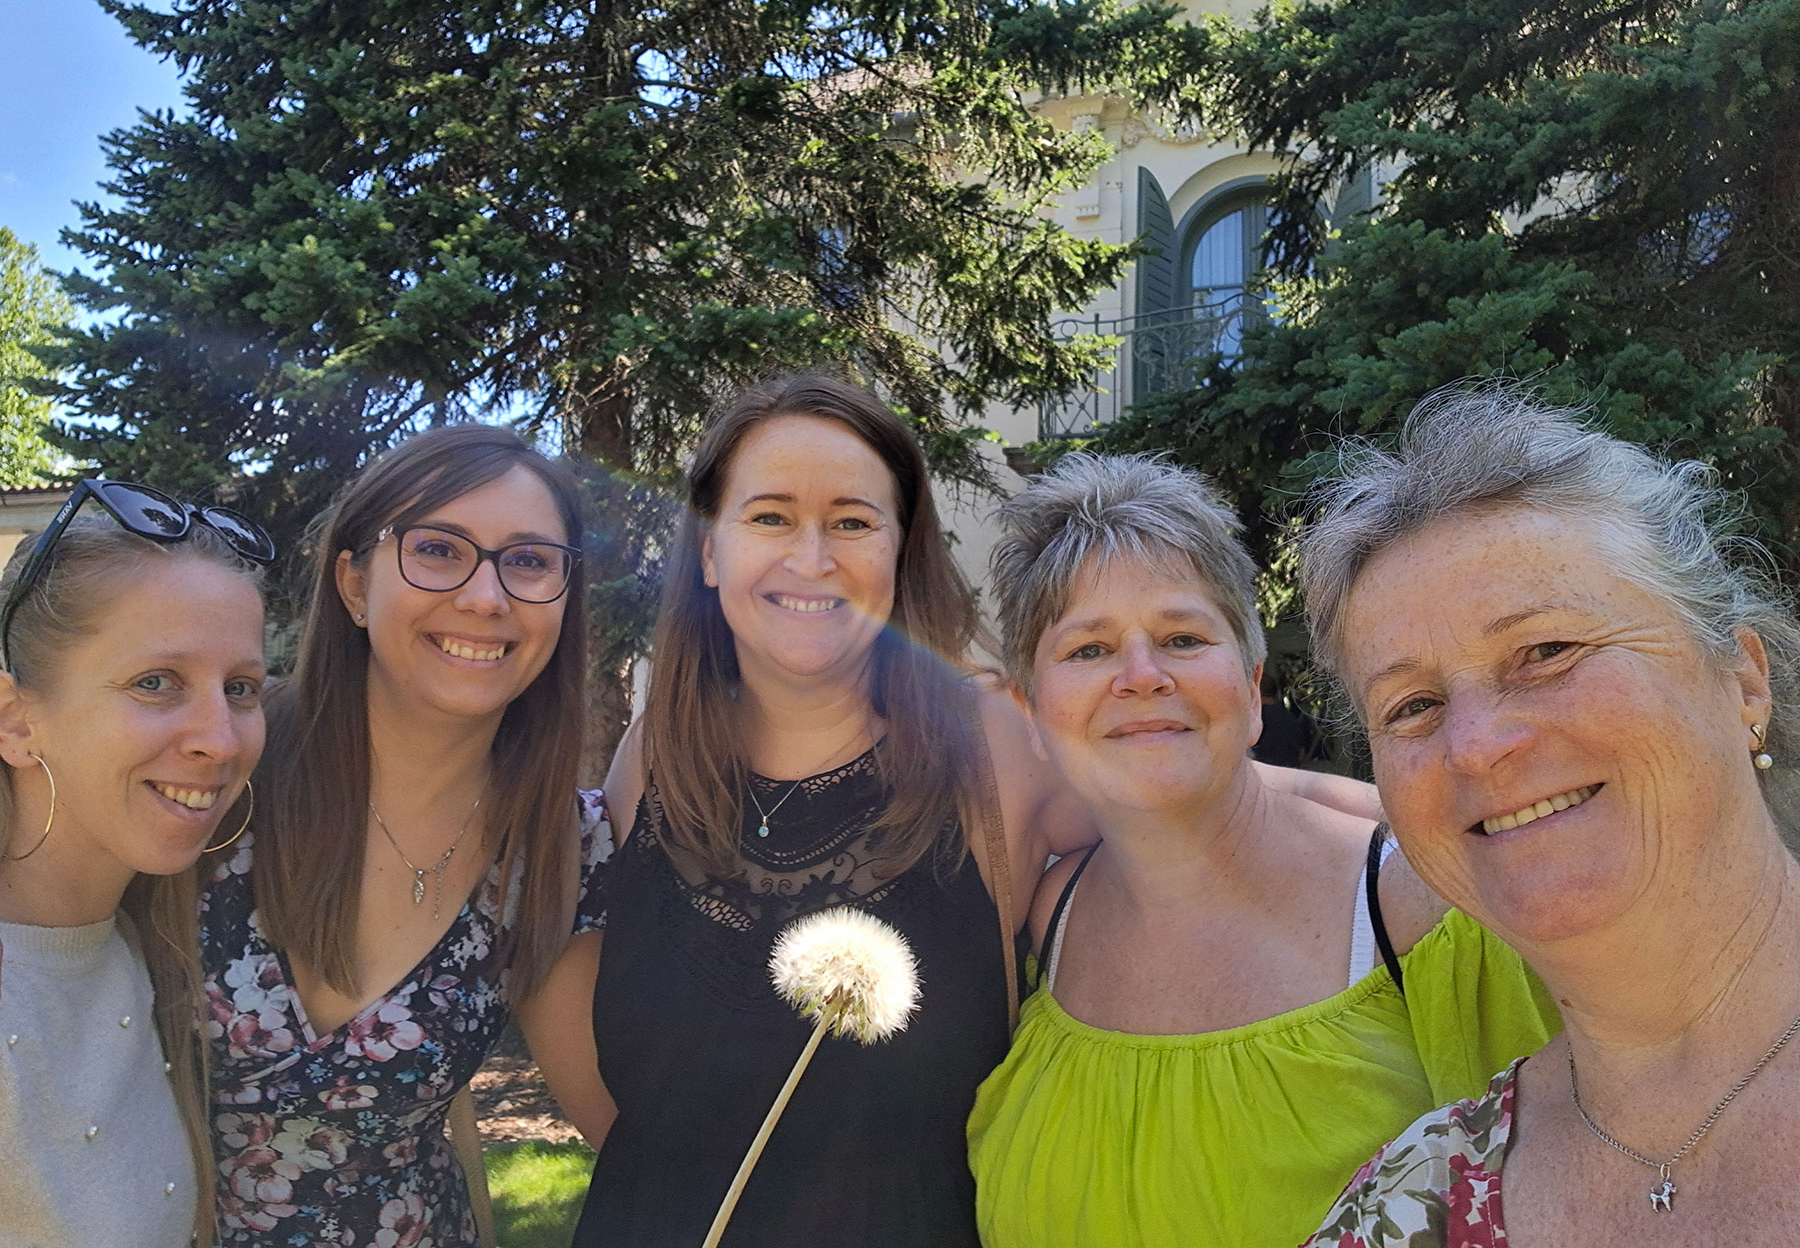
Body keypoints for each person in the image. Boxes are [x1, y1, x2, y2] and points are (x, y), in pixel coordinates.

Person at [576, 374, 1375, 1247]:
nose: (812, 557)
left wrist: (1415, 831)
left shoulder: (990, 747)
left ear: (899, 550)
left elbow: (1213, 787)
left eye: (853, 521)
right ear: (709, 551)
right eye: (770, 517)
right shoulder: (657, 752)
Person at [965, 451, 1561, 1248]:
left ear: (1250, 690)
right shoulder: (1045, 920)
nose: (1141, 676)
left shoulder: (1423, 906)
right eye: (1088, 650)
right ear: (1032, 713)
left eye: (1181, 637)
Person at [1298, 389, 1800, 1246]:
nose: (1475, 747)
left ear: (1743, 681)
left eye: (1547, 651)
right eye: (1413, 706)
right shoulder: (1410, 1209)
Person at [199, 426, 612, 1246]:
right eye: (437, 549)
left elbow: (619, 1121)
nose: (487, 597)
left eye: (530, 561)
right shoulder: (218, 763)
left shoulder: (557, 846)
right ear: (354, 583)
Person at [0, 480, 273, 1247]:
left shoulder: (135, 944)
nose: (220, 739)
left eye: (241, 688)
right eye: (156, 683)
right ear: (16, 722)